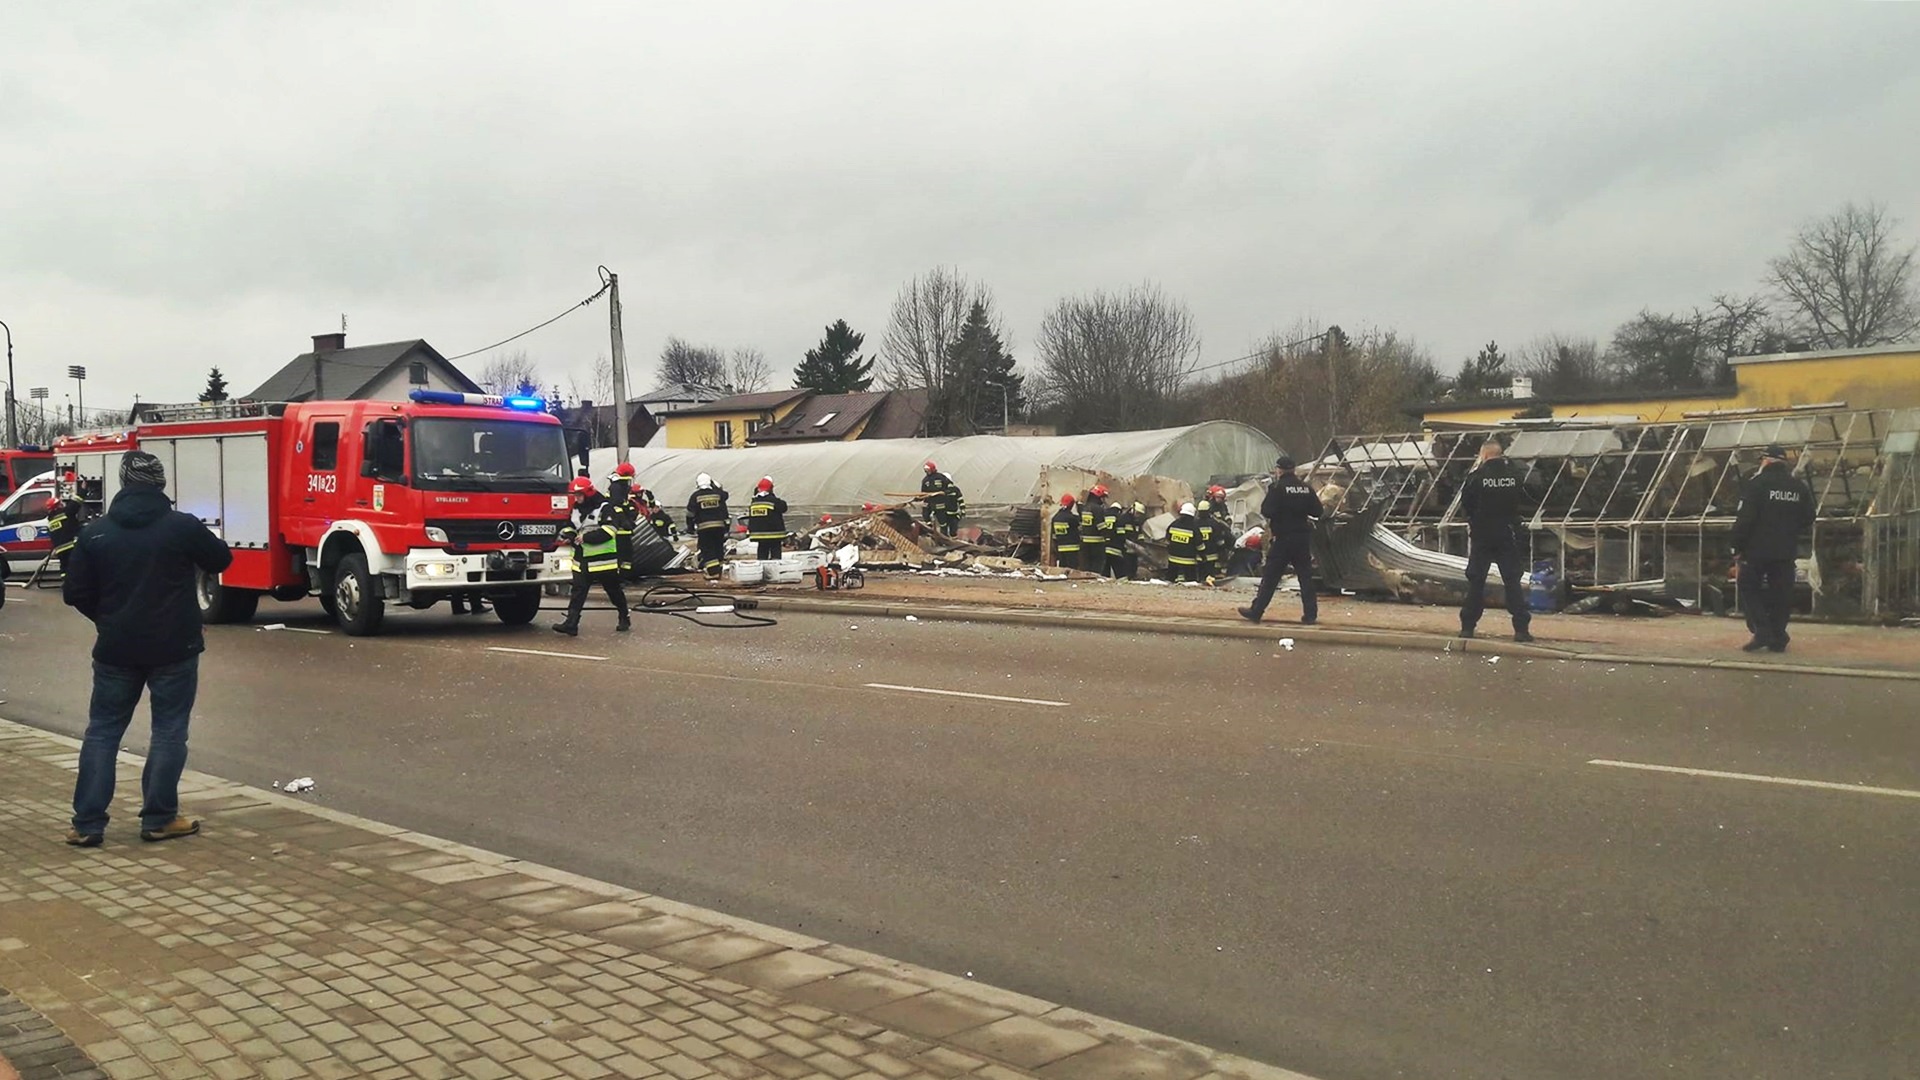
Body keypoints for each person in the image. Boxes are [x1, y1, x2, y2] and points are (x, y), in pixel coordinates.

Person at [61, 450, 233, 846]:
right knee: (169, 730)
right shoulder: (181, 527)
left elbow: (75, 592)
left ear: (123, 483)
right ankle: (159, 818)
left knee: (103, 731)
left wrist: (107, 618)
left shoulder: (96, 532)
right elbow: (221, 559)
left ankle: (87, 825)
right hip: (175, 646)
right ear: (160, 485)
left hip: (116, 648)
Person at [1731, 443, 1815, 653]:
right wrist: (1789, 530)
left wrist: (1736, 546)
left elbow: (1745, 519)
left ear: (1766, 460)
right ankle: (1778, 636)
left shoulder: (1757, 485)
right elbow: (1809, 516)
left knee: (1748, 587)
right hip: (1786, 549)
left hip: (1756, 550)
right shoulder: (1798, 486)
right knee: (1781, 593)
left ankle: (1762, 630)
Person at [1458, 440, 1534, 643]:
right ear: (1500, 454)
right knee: (1512, 581)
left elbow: (1467, 504)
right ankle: (1521, 629)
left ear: (1484, 455)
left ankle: (1467, 627)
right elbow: (1523, 500)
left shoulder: (1476, 478)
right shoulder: (1514, 476)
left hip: (1482, 535)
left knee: (1476, 581)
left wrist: (1475, 521)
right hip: (1506, 533)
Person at [1240, 455, 1324, 625]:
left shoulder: (1277, 488)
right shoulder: (1305, 488)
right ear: (1293, 469)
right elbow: (1318, 511)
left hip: (1283, 539)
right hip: (1302, 539)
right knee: (1305, 577)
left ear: (1279, 470)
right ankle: (1310, 615)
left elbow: (1267, 510)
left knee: (1271, 577)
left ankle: (1256, 611)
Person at [553, 475, 630, 636]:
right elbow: (570, 526)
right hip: (581, 559)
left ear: (588, 493)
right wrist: (568, 535)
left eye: (579, 495)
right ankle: (571, 623)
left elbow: (610, 531)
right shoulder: (575, 508)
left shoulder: (604, 508)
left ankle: (624, 615)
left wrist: (586, 538)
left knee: (613, 591)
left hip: (603, 561)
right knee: (578, 592)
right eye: (575, 495)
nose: (576, 498)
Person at [686, 473, 730, 579]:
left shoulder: (695, 496)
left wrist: (690, 527)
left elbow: (690, 514)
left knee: (708, 549)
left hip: (704, 528)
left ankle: (713, 573)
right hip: (719, 527)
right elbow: (725, 498)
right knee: (718, 548)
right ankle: (718, 570)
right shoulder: (717, 495)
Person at [747, 476, 789, 561]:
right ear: (771, 488)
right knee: (775, 553)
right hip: (774, 534)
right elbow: (783, 507)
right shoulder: (773, 501)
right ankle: (775, 567)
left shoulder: (754, 502)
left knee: (762, 552)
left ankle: (762, 566)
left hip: (759, 535)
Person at [921, 461, 964, 536]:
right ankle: (944, 538)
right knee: (943, 526)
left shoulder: (940, 477)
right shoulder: (925, 480)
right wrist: (919, 498)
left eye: (928, 469)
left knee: (952, 529)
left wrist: (945, 492)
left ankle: (951, 538)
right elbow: (923, 494)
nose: (927, 471)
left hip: (946, 508)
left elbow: (950, 487)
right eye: (926, 470)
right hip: (936, 508)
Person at [1077, 485, 1109, 577]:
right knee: (1096, 566)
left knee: (1086, 566)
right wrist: (1108, 536)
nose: (1104, 500)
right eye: (1103, 497)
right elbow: (1101, 526)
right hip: (1097, 543)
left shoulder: (1085, 508)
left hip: (1084, 542)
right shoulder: (1098, 509)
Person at [1165, 502, 1202, 582]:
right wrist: (1202, 555)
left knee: (1169, 580)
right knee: (1191, 582)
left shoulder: (1173, 524)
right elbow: (1199, 544)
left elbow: (1167, 540)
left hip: (1173, 559)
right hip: (1188, 561)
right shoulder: (1194, 527)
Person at [1101, 497, 1131, 579]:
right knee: (1120, 571)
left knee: (1105, 572)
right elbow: (1121, 534)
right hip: (1115, 548)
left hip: (1104, 548)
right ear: (1119, 510)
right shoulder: (1119, 517)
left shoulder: (1104, 516)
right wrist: (1123, 546)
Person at [1050, 493, 1081, 569]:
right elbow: (1079, 523)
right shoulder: (1072, 518)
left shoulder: (1055, 518)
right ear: (1071, 505)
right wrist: (1080, 506)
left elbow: (1054, 534)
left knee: (1062, 569)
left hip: (1061, 548)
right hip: (1072, 548)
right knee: (1072, 569)